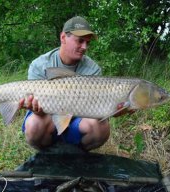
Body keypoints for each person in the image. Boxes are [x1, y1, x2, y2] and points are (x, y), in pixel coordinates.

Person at [19, 16, 128, 151]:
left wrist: (113, 110)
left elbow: (94, 111)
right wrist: (35, 108)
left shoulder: (93, 69)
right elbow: (36, 108)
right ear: (63, 37)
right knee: (35, 125)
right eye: (80, 41)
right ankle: (48, 154)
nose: (84, 47)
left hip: (77, 122)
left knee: (101, 128)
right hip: (47, 120)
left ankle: (76, 154)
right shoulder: (40, 65)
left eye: (87, 43)